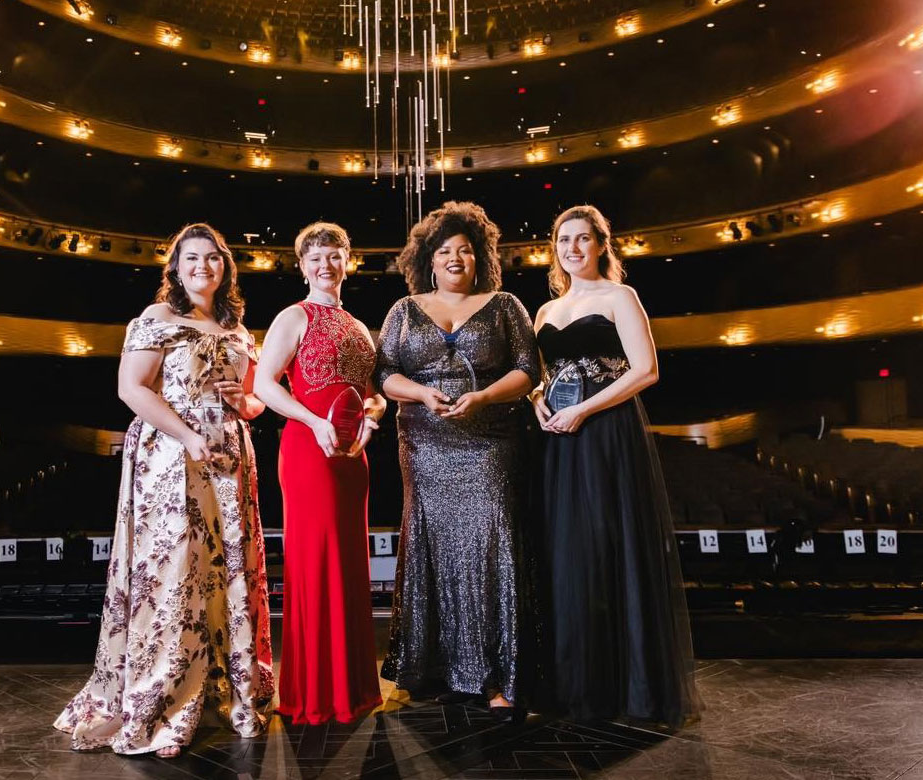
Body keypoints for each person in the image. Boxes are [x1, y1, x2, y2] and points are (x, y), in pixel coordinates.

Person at [54, 223, 274, 756]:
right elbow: (131, 389)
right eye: (192, 259)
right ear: (175, 267)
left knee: (225, 570)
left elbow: (254, 400)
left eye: (214, 258)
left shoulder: (238, 328)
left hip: (228, 456)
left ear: (227, 267)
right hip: (173, 457)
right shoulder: (155, 319)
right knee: (175, 570)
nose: (204, 267)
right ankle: (165, 693)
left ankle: (229, 683)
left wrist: (244, 404)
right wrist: (189, 435)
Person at [532, 204, 699, 727]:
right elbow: (546, 374)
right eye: (564, 240)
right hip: (559, 439)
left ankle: (627, 686)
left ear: (603, 245)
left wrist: (585, 408)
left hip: (605, 433)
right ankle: (575, 682)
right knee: (568, 555)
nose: (573, 249)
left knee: (610, 546)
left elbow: (646, 370)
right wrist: (539, 397)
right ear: (554, 247)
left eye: (583, 239)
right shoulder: (544, 310)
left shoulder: (620, 296)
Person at [376, 201, 538, 720]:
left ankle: (497, 675)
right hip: (424, 443)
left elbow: (527, 370)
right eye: (444, 250)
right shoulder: (403, 309)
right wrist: (422, 394)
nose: (455, 258)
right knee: (431, 545)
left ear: (479, 258)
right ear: (427, 258)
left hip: (490, 439)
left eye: (465, 250)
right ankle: (434, 670)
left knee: (493, 543)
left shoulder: (506, 303)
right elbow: (384, 373)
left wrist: (486, 397)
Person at [254, 222, 385, 724]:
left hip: (353, 457)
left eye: (334, 256)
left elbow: (371, 393)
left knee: (349, 566)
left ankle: (352, 689)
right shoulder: (293, 316)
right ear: (301, 265)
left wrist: (371, 422)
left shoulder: (356, 325)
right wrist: (313, 422)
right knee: (316, 564)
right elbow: (265, 385)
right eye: (315, 258)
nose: (325, 265)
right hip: (309, 452)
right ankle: (313, 694)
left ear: (347, 261)